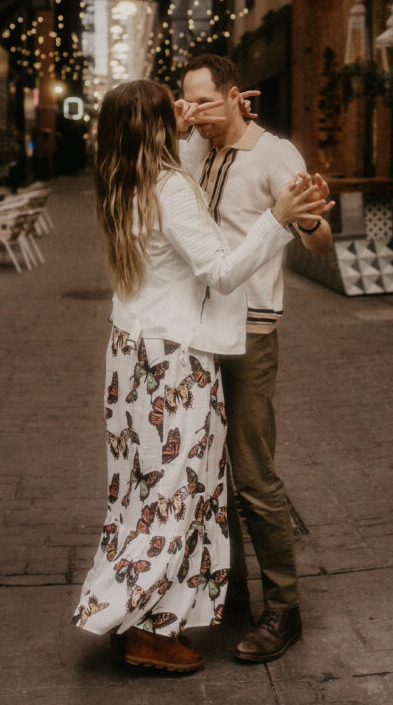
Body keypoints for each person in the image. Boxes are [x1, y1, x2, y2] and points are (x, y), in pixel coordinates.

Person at [72, 79, 327, 674]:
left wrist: (173, 122)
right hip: (172, 364)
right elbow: (220, 271)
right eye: (175, 114)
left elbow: (168, 174)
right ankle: (150, 634)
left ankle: (126, 613)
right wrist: (277, 218)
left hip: (129, 357)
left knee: (138, 494)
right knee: (175, 495)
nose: (188, 120)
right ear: (159, 130)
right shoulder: (170, 189)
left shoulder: (120, 180)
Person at [179, 54, 333, 664]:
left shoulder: (276, 155)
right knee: (209, 468)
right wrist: (186, 120)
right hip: (199, 331)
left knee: (251, 471)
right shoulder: (199, 146)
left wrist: (312, 216)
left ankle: (284, 609)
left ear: (236, 95)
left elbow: (318, 241)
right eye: (186, 104)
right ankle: (230, 593)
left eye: (205, 103)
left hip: (251, 332)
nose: (196, 116)